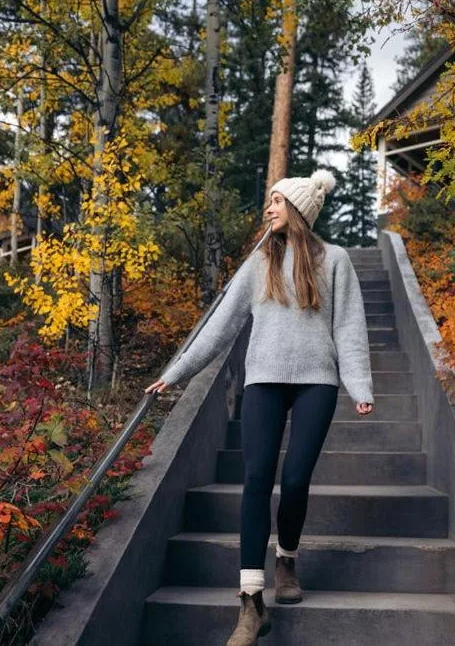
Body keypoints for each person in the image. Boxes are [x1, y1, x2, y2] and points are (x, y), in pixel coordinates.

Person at [144, 168, 374, 646]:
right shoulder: (256, 264)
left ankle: (286, 559)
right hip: (264, 382)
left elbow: (349, 328)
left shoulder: (335, 261)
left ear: (297, 211)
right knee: (255, 478)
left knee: (294, 480)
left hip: (317, 382)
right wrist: (176, 371)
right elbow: (220, 326)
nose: (268, 209)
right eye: (269, 201)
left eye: (276, 202)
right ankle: (251, 601)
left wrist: (359, 386)